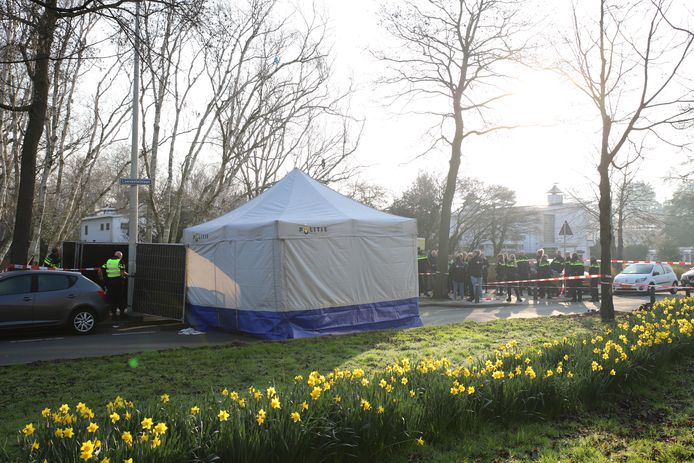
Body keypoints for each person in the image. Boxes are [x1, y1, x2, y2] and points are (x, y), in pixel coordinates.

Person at [101, 251, 128, 321]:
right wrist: (126, 276)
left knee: (112, 298)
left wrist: (102, 279)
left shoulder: (108, 261)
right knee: (120, 297)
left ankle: (113, 315)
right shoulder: (120, 261)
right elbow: (122, 272)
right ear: (120, 256)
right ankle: (122, 314)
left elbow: (100, 270)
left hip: (110, 283)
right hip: (118, 283)